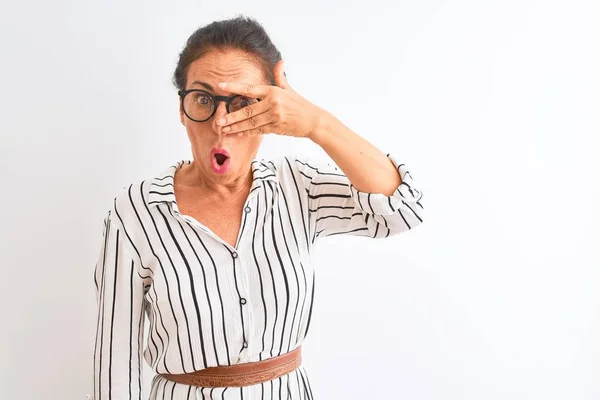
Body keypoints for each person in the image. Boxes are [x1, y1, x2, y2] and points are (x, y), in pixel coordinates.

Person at [92, 16, 424, 400]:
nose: (221, 123)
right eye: (202, 99)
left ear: (273, 112)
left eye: (242, 103)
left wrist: (316, 123)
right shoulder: (134, 212)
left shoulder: (296, 188)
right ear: (182, 110)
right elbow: (115, 365)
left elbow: (402, 210)